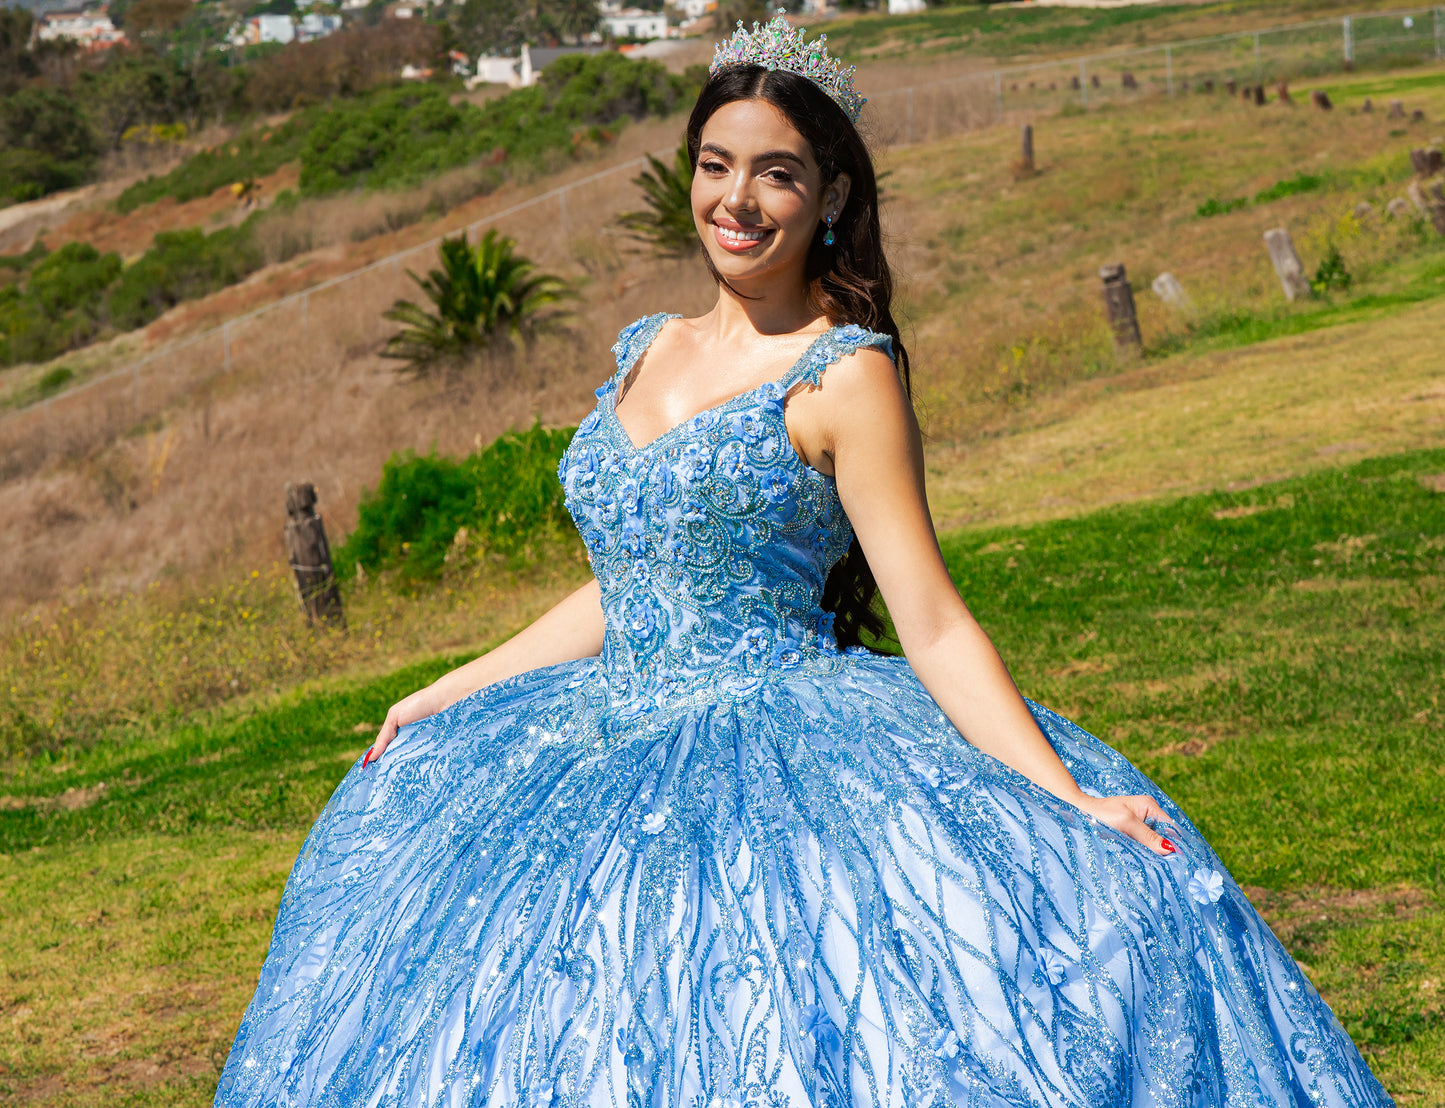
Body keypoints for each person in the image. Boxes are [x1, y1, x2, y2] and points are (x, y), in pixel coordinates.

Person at [215, 18, 1391, 1107]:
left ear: (828, 195)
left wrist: (1066, 794)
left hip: (778, 743)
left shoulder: (843, 374)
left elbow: (929, 619)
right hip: (593, 740)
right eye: (715, 163)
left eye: (774, 172)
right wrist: (441, 690)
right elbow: (630, 585)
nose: (738, 199)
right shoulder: (645, 346)